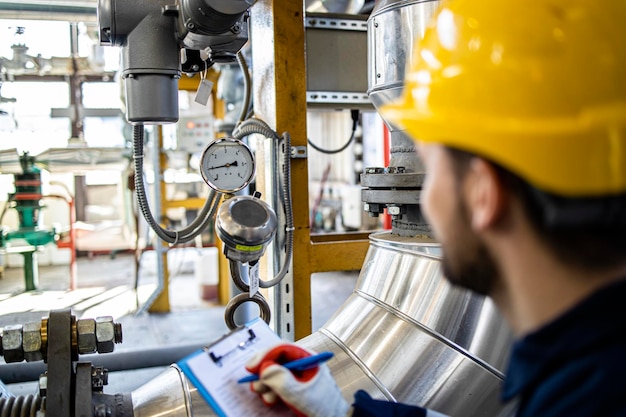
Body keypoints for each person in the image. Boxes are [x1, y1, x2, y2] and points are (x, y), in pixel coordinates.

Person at [244, 0, 626, 415]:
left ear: (483, 192)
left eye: (430, 165)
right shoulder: (587, 371)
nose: (425, 198)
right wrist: (343, 412)